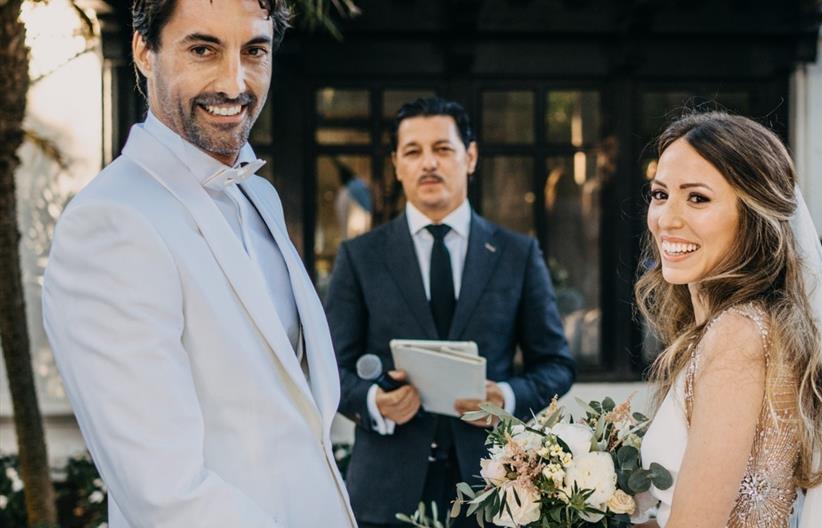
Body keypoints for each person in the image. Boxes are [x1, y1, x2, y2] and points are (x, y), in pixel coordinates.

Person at [41, 1, 355, 526]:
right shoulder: (110, 222)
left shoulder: (260, 197)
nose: (234, 83)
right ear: (145, 51)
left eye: (254, 50)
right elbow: (166, 493)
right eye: (203, 49)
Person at [326, 97, 576, 527]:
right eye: (413, 151)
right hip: (385, 493)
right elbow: (330, 368)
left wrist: (505, 398)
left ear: (470, 156)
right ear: (397, 164)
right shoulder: (359, 256)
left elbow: (555, 366)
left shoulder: (517, 253)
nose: (428, 163)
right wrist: (374, 401)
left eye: (442, 149)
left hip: (494, 488)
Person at [635, 112, 822, 527]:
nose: (667, 219)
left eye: (697, 198)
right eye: (661, 195)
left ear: (753, 215)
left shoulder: (737, 334)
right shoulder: (747, 325)